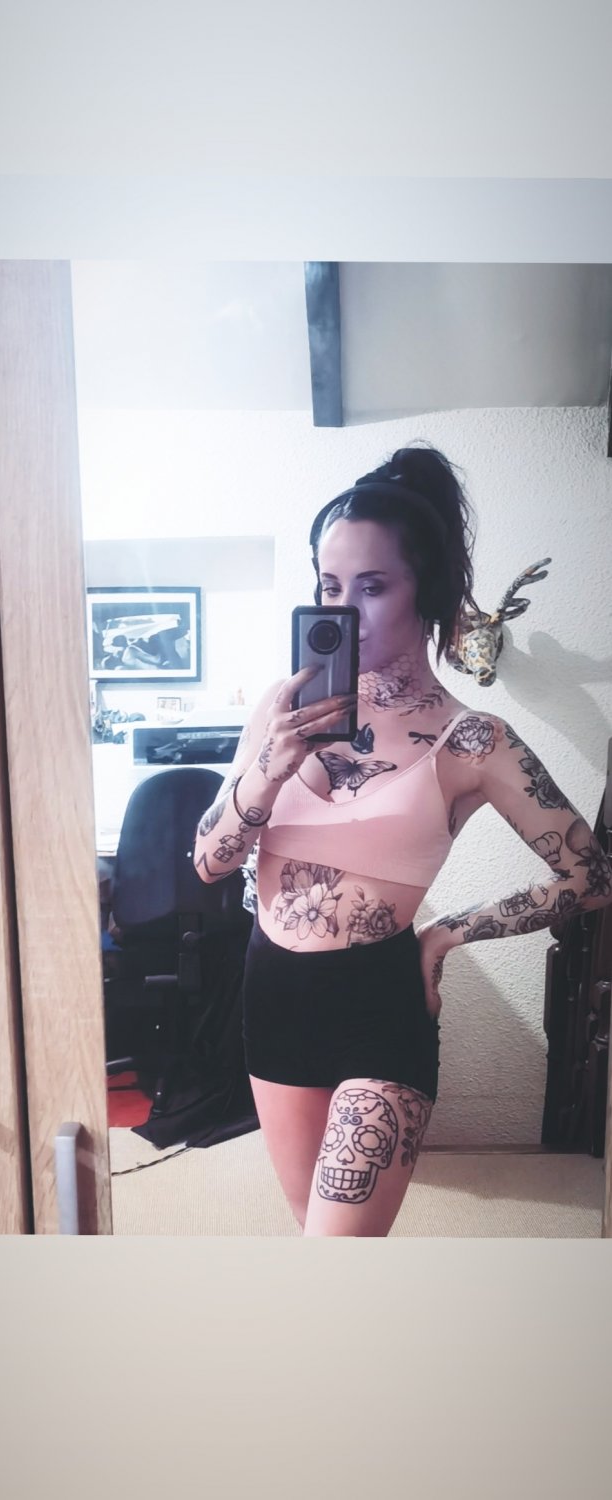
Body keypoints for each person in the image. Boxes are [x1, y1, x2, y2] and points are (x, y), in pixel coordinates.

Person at [193, 441, 612, 1238]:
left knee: (340, 1254)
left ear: (429, 591)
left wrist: (447, 935)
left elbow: (591, 876)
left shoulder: (473, 740)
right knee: (313, 1245)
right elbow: (210, 861)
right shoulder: (280, 711)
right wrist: (271, 764)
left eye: (373, 585)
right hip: (271, 997)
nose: (345, 608)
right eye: (330, 586)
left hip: (379, 1008)